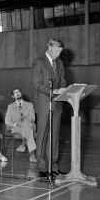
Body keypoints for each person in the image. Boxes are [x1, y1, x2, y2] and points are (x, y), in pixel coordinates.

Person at [32, 38, 67, 176]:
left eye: (60, 51)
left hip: (57, 103)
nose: (59, 53)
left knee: (55, 136)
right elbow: (37, 84)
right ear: (50, 47)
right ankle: (41, 167)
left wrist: (64, 89)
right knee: (43, 135)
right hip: (44, 104)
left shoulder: (60, 63)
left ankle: (53, 166)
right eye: (57, 50)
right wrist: (53, 92)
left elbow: (63, 80)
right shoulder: (39, 62)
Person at [5, 88, 37, 163]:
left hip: (27, 125)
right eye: (15, 93)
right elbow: (7, 120)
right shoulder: (10, 106)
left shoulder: (29, 105)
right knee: (28, 129)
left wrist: (24, 117)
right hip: (17, 127)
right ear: (13, 96)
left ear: (21, 93)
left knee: (27, 124)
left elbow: (33, 118)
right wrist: (14, 124)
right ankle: (31, 154)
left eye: (18, 92)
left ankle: (23, 145)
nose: (17, 93)